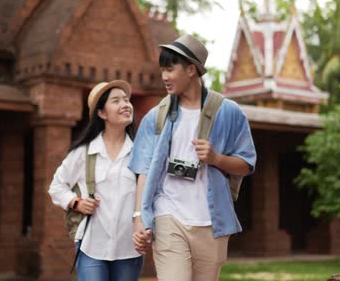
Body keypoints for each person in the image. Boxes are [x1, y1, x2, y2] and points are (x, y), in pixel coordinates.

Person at [129, 34, 257, 280]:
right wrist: (139, 218)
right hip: (168, 216)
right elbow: (143, 172)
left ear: (191, 70)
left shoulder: (228, 112)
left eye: (170, 69)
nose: (164, 76)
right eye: (162, 70)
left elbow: (246, 164)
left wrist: (216, 158)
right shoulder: (155, 117)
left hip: (212, 222)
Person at [48, 80, 143, 281]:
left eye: (127, 100)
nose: (125, 104)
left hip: (130, 248)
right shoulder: (84, 152)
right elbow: (56, 186)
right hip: (91, 246)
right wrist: (77, 203)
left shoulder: (140, 152)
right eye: (116, 101)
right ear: (102, 113)